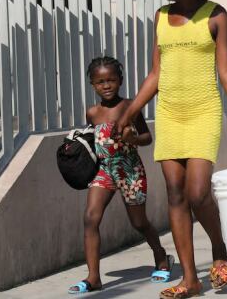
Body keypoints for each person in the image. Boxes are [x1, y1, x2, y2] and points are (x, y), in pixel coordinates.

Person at [116, 0, 227, 298]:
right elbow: (156, 74)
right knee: (175, 194)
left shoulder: (215, 15)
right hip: (170, 113)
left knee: (197, 192)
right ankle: (190, 279)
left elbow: (226, 70)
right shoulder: (162, 16)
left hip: (203, 111)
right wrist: (129, 112)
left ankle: (219, 249)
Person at [68, 57, 170, 294]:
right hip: (104, 170)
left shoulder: (129, 107)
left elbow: (147, 138)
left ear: (121, 81)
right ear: (92, 85)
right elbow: (94, 141)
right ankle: (94, 277)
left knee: (139, 222)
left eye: (111, 80)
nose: (106, 85)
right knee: (90, 218)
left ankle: (161, 255)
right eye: (100, 81)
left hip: (129, 169)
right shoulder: (92, 113)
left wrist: (133, 138)